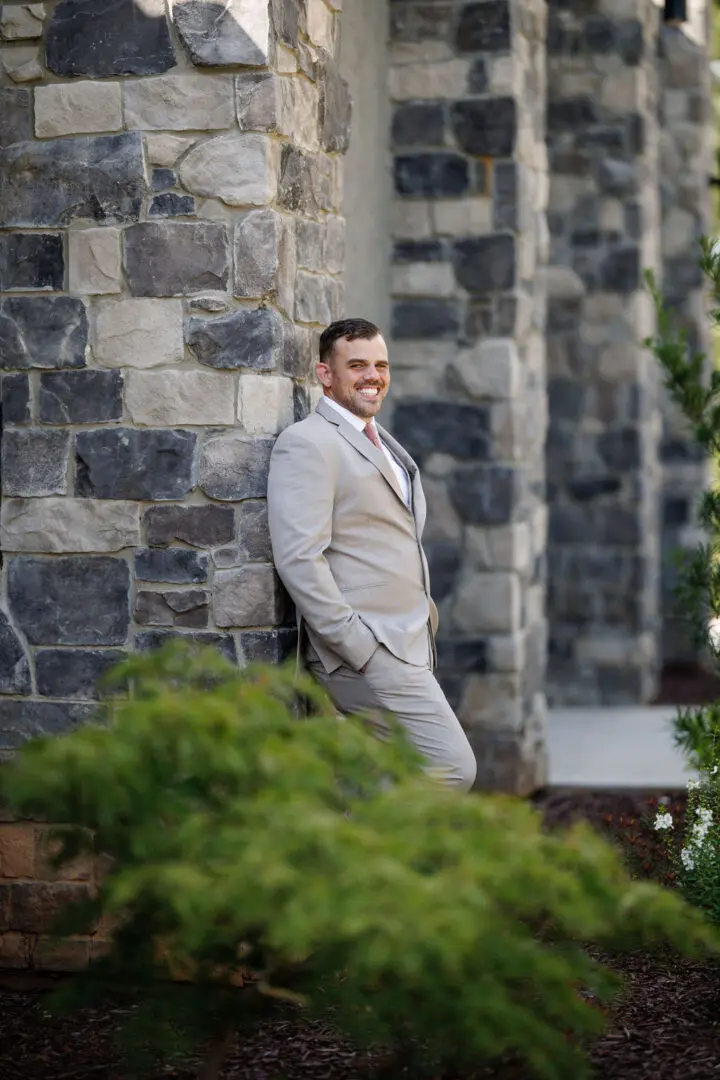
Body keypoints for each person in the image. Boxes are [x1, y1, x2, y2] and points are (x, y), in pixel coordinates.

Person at [267, 317, 477, 792]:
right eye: (357, 364)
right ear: (325, 374)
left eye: (380, 365)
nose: (372, 375)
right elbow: (300, 558)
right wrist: (358, 648)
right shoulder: (307, 444)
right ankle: (362, 856)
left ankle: (351, 848)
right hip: (367, 650)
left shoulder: (383, 444)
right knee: (452, 767)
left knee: (379, 776)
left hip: (408, 642)